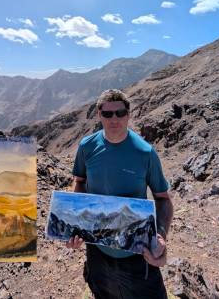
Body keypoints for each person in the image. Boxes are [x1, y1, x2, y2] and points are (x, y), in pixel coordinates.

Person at [66, 89, 173, 298]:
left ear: (128, 114)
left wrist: (160, 234)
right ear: (99, 115)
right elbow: (79, 182)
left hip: (137, 252)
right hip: (97, 249)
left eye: (120, 113)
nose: (114, 119)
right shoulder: (87, 147)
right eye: (107, 114)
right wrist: (75, 224)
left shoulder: (145, 152)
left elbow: (163, 198)